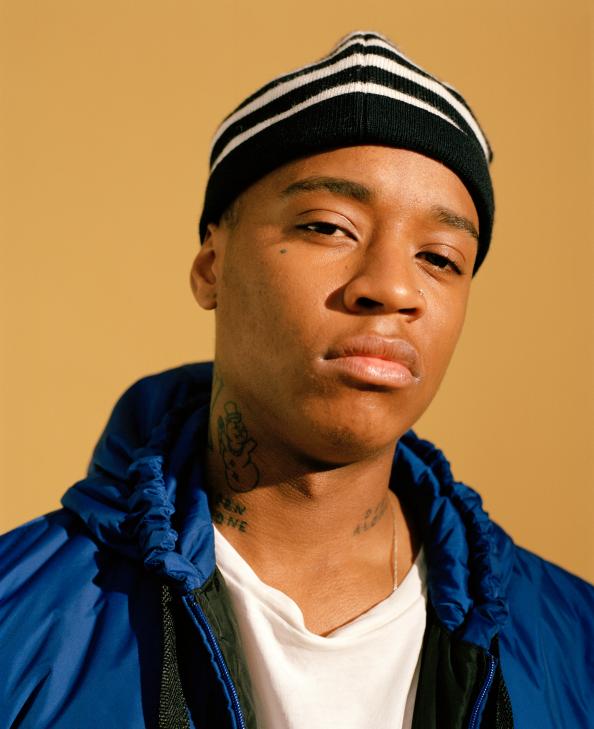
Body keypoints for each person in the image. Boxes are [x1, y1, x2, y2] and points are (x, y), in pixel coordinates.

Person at [0, 30, 592, 729]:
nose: (391, 287)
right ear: (211, 267)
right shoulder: (21, 624)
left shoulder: (573, 647)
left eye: (440, 257)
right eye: (329, 227)